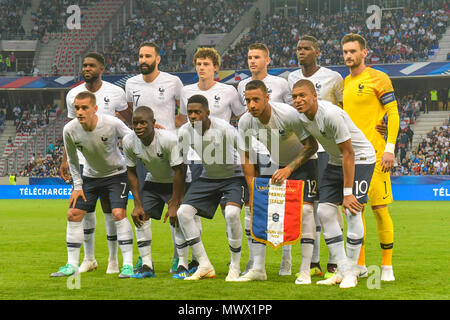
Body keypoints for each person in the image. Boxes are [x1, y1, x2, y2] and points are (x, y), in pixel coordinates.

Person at [291, 79, 376, 288]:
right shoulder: (301, 118)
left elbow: (349, 152)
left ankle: (352, 272)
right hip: (335, 161)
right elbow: (313, 146)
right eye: (294, 97)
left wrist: (348, 193)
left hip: (361, 158)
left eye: (302, 95)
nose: (298, 100)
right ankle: (342, 269)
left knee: (352, 211)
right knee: (325, 212)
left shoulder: (330, 114)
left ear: (314, 96)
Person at [237, 80, 318, 283]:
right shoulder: (245, 121)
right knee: (258, 211)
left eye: (256, 99)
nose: (252, 105)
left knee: (307, 211)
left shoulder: (287, 114)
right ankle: (258, 269)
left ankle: (305, 270)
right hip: (277, 166)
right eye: (248, 101)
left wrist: (289, 169)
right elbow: (245, 156)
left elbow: (311, 146)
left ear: (267, 97)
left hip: (304, 165)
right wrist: (252, 189)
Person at [50, 91, 135, 279]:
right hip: (89, 176)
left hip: (116, 175)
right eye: (77, 108)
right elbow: (72, 160)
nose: (79, 111)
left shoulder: (111, 123)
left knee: (118, 214)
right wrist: (78, 186)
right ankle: (72, 265)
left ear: (95, 109)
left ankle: (127, 265)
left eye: (84, 108)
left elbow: (132, 139)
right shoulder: (69, 129)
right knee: (73, 214)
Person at [60, 52, 130, 275]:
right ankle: (87, 259)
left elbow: (128, 124)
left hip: (110, 162)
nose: (86, 68)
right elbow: (71, 134)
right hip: (84, 163)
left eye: (91, 65)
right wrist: (67, 165)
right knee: (83, 212)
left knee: (112, 212)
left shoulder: (115, 94)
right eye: (84, 65)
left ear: (101, 68)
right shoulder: (73, 95)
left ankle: (114, 260)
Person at [341, 33, 399, 281]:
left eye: (353, 51)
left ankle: (387, 267)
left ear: (364, 52)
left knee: (379, 209)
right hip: (352, 158)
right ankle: (360, 265)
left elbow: (393, 113)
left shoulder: (379, 78)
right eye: (345, 52)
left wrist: (390, 148)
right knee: (355, 211)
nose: (348, 56)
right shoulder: (345, 82)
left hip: (376, 156)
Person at [124, 42, 185, 273]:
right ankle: (144, 260)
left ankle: (177, 257)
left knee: (177, 209)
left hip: (169, 150)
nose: (143, 60)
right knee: (141, 206)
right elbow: (132, 112)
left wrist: (167, 131)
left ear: (158, 59)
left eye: (148, 56)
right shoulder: (131, 84)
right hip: (143, 149)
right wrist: (144, 126)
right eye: (140, 56)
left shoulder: (173, 81)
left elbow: (184, 112)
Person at [288, 35, 345, 279]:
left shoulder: (333, 77)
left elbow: (343, 110)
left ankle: (335, 259)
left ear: (317, 51)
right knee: (309, 207)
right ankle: (314, 261)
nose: (302, 52)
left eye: (307, 48)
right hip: (307, 149)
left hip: (327, 150)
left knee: (329, 204)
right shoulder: (291, 78)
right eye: (299, 48)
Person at [237, 42, 294, 276]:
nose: (252, 61)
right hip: (255, 150)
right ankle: (254, 262)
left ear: (267, 60)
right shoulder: (242, 85)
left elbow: (291, 117)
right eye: (249, 57)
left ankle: (286, 260)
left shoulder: (281, 83)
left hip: (280, 152)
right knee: (253, 207)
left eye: (257, 57)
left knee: (283, 206)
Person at [176, 94, 246, 281]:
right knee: (183, 213)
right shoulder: (184, 132)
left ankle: (235, 266)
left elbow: (245, 155)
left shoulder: (224, 128)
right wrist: (177, 198)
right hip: (208, 177)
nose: (193, 116)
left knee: (231, 214)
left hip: (233, 176)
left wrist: (251, 189)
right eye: (190, 112)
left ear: (207, 113)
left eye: (197, 112)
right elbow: (180, 166)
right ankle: (204, 264)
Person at [122, 106, 188, 279]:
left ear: (153, 123)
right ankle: (146, 265)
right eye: (135, 123)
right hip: (154, 180)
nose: (138, 127)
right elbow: (131, 172)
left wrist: (174, 203)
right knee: (140, 216)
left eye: (143, 122)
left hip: (179, 180)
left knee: (180, 217)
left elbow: (179, 171)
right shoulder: (129, 141)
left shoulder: (168, 140)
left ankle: (183, 264)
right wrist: (137, 204)